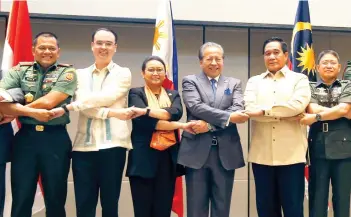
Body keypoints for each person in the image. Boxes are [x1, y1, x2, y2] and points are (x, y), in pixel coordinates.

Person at [50, 28, 134, 217]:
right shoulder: (78, 74)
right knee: (84, 206)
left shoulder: (123, 73)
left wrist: (71, 107)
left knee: (110, 206)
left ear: (115, 47)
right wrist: (112, 112)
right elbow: (85, 105)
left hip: (113, 147)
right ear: (92, 46)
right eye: (99, 43)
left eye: (108, 43)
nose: (103, 47)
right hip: (83, 148)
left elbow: (105, 97)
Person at [0, 32, 77, 217]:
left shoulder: (67, 73)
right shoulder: (19, 71)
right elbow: (1, 98)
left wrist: (15, 110)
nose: (47, 51)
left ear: (58, 52)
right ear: (33, 50)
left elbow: (50, 102)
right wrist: (32, 113)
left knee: (55, 197)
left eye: (52, 48)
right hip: (25, 140)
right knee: (21, 196)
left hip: (55, 140)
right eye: (42, 47)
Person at [178, 42, 247, 217]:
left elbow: (238, 109)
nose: (214, 62)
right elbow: (196, 107)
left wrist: (208, 125)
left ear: (223, 61)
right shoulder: (190, 81)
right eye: (209, 59)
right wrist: (228, 117)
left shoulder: (234, 83)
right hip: (196, 152)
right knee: (196, 208)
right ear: (201, 62)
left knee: (222, 207)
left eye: (218, 59)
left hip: (226, 152)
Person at [243, 37, 311, 217]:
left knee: (293, 210)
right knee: (266, 211)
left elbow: (296, 105)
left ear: (286, 55)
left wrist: (263, 112)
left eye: (276, 52)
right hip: (261, 157)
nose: (272, 56)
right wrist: (284, 115)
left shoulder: (300, 79)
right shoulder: (254, 82)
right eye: (267, 53)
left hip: (292, 157)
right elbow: (249, 109)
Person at [126, 55, 195, 217]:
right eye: (151, 70)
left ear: (165, 73)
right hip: (142, 160)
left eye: (159, 70)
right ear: (143, 73)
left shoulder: (173, 94)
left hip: (167, 161)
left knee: (163, 210)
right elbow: (146, 123)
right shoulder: (135, 93)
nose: (155, 73)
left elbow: (176, 113)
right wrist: (181, 125)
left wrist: (147, 111)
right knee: (142, 211)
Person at [300, 50, 351, 217]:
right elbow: (312, 108)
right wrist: (338, 112)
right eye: (325, 63)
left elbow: (346, 109)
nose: (329, 66)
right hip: (318, 149)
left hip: (344, 150)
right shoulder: (310, 87)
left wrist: (317, 117)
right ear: (317, 67)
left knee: (342, 201)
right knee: (317, 201)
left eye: (332, 63)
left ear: (339, 67)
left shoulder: (347, 85)